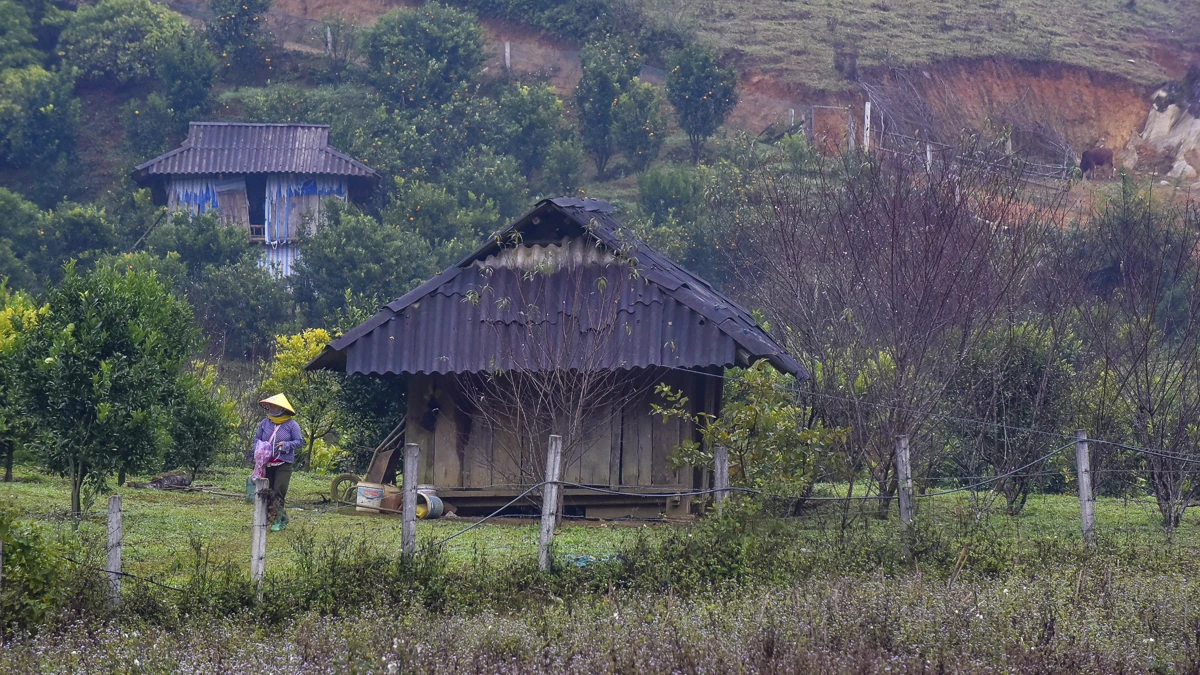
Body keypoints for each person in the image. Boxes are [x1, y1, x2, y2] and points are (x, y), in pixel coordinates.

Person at [255, 394, 304, 531]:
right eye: (270, 405)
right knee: (267, 491)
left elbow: (300, 441)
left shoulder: (292, 425)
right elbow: (257, 438)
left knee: (278, 492)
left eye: (274, 406)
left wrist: (287, 445)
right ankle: (273, 517)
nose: (271, 408)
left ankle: (279, 520)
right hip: (267, 463)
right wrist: (258, 450)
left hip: (284, 463)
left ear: (281, 408)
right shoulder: (265, 423)